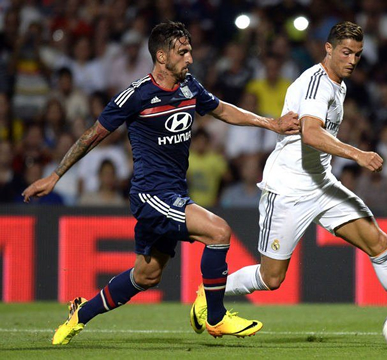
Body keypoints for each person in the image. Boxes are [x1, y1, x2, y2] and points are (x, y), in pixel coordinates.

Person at [22, 20, 299, 344]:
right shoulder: (136, 95)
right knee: (219, 231)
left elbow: (222, 110)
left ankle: (80, 313)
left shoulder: (189, 87)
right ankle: (215, 317)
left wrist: (272, 123)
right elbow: (92, 136)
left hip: (173, 193)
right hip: (150, 194)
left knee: (146, 275)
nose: (190, 58)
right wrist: (55, 175)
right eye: (183, 52)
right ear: (162, 56)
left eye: (190, 51)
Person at [190, 21, 387, 346]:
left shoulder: (339, 84)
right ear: (329, 48)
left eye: (358, 55)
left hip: (322, 185)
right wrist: (357, 154)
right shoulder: (315, 84)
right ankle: (208, 295)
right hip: (288, 189)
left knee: (378, 242)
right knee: (271, 278)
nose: (352, 60)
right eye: (346, 52)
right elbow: (311, 132)